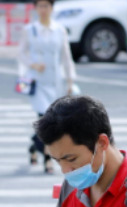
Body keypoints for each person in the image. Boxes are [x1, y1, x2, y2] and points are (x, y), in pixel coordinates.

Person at [17, 0, 76, 174]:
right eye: (40, 6)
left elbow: (66, 57)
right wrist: (33, 65)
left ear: (51, 8)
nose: (43, 10)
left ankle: (33, 147)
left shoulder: (59, 30)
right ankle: (48, 158)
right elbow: (21, 53)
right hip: (38, 81)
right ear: (35, 8)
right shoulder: (30, 30)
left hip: (56, 81)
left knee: (53, 122)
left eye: (46, 6)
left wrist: (70, 81)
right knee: (45, 119)